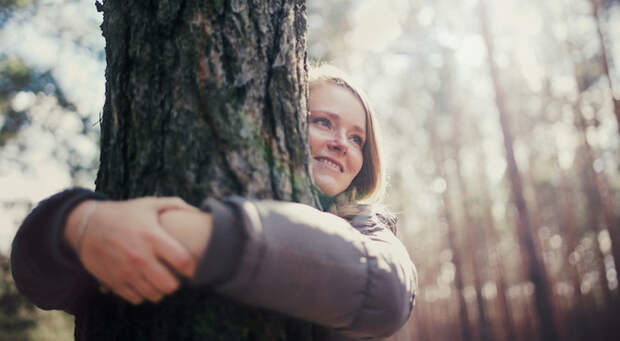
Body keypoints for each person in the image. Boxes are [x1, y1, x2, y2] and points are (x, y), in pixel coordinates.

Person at [11, 64, 417, 340]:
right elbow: (38, 277)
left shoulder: (367, 227)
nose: (340, 143)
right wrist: (78, 224)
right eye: (322, 121)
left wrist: (200, 236)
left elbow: (387, 294)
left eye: (357, 138)